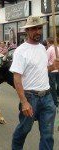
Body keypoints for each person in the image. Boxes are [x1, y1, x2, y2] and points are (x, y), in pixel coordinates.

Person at [10, 16, 59, 150]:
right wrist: (24, 102)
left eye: (39, 28)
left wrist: (53, 67)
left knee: (48, 135)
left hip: (47, 97)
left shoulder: (43, 48)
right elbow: (17, 77)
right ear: (27, 31)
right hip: (30, 98)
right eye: (34, 29)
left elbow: (42, 69)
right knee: (23, 131)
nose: (38, 31)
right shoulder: (21, 51)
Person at [47, 37, 59, 107]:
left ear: (49, 42)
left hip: (52, 70)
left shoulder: (50, 49)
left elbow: (46, 60)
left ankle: (55, 102)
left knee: (52, 86)